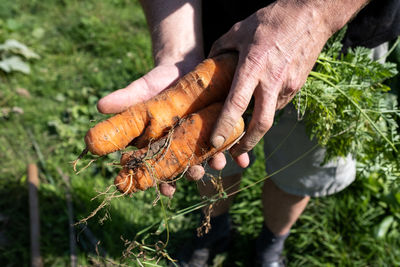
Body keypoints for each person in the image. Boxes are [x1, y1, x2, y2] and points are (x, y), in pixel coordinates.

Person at [97, 1, 400, 266]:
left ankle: (270, 247)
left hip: (341, 41)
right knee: (214, 164)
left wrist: (315, 15)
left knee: (297, 173)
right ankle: (213, 231)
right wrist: (176, 51)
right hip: (217, 37)